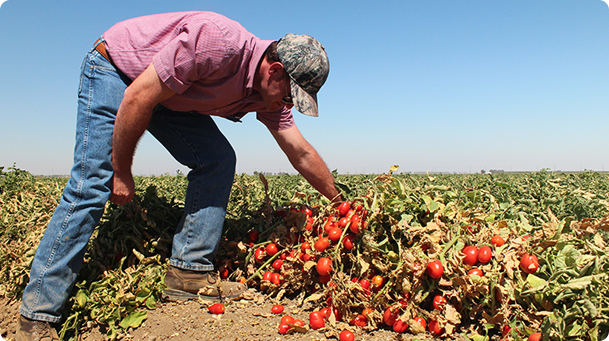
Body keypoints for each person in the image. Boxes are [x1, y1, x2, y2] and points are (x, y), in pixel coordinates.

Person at [16, 11, 341, 341]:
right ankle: (38, 315)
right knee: (92, 183)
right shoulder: (218, 43)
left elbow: (299, 151)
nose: (285, 104)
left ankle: (188, 271)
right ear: (275, 70)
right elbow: (138, 96)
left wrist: (342, 202)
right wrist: (123, 171)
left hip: (168, 95)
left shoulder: (266, 94)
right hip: (118, 72)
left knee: (217, 159)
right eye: (289, 96)